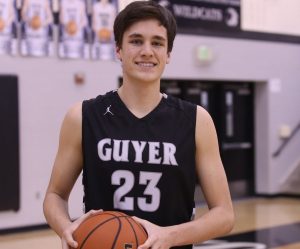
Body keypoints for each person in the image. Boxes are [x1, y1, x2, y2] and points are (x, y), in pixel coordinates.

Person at [43, 1, 234, 249]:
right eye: (135, 41)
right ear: (118, 50)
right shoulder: (83, 116)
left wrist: (168, 236)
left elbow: (224, 214)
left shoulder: (196, 120)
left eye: (157, 43)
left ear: (168, 54)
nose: (147, 51)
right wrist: (66, 227)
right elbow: (54, 195)